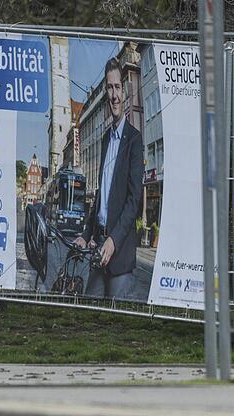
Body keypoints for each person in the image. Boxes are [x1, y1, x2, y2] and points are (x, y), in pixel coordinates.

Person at [74, 57, 144, 299]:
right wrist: (85, 234)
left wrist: (113, 241)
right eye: (109, 88)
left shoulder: (134, 140)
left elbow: (135, 201)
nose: (113, 95)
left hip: (119, 252)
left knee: (116, 323)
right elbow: (102, 196)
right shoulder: (105, 140)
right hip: (98, 246)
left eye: (117, 87)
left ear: (123, 91)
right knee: (89, 310)